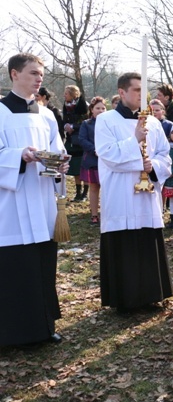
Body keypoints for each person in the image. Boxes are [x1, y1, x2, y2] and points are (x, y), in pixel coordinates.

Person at [0, 53, 67, 346]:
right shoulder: (0, 112)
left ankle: (43, 326)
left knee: (42, 264)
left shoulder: (47, 114)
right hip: (11, 204)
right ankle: (12, 333)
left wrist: (60, 165)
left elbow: (57, 149)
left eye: (41, 74)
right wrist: (19, 157)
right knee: (16, 267)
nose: (39, 78)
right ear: (14, 74)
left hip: (41, 200)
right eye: (32, 73)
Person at [95, 72, 173, 313]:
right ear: (122, 92)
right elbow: (107, 154)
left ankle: (152, 294)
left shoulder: (154, 122)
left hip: (147, 194)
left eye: (144, 90)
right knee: (124, 243)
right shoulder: (106, 120)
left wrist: (153, 168)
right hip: (120, 193)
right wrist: (135, 141)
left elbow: (164, 155)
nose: (142, 95)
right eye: (137, 90)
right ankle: (125, 299)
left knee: (147, 238)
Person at [79, 96, 106, 225]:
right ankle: (94, 215)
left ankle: (106, 213)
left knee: (107, 188)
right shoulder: (86, 124)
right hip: (92, 160)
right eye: (98, 108)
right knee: (94, 187)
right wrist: (95, 150)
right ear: (92, 109)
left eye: (103, 108)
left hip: (107, 160)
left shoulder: (109, 123)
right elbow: (82, 139)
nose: (101, 111)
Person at [62, 85, 88, 202]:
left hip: (81, 142)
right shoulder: (66, 106)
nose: (64, 95)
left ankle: (85, 193)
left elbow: (86, 123)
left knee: (84, 168)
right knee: (75, 169)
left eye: (66, 93)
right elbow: (64, 120)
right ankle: (78, 193)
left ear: (73, 94)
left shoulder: (84, 106)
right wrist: (66, 126)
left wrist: (73, 126)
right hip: (71, 141)